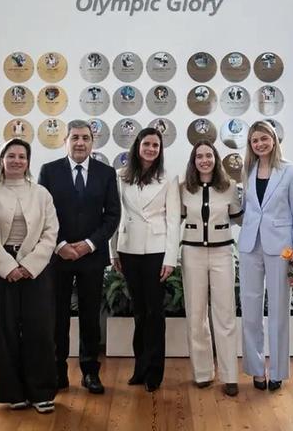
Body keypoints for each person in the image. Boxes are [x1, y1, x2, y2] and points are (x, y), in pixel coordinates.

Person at [37, 120, 120, 395]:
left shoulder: (106, 173)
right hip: (58, 257)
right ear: (65, 141)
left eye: (85, 138)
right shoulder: (49, 172)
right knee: (57, 316)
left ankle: (89, 372)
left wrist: (88, 244)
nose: (80, 142)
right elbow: (43, 213)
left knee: (90, 317)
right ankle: (57, 371)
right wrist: (60, 245)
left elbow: (112, 216)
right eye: (75, 138)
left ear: (92, 142)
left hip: (91, 257)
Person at [0, 138, 59, 414]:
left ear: (28, 161)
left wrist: (29, 265)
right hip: (2, 271)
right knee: (4, 330)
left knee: (40, 330)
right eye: (10, 156)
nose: (16, 161)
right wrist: (8, 266)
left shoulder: (41, 194)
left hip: (36, 270)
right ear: (1, 160)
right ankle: (11, 391)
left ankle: (41, 392)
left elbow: (50, 233)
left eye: (21, 157)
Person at [110, 127, 180, 392]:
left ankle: (154, 372)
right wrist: (113, 251)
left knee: (154, 312)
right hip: (128, 249)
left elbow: (174, 220)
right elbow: (115, 216)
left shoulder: (168, 178)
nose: (151, 149)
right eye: (147, 144)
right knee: (138, 312)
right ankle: (139, 368)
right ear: (137, 146)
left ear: (160, 150)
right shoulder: (120, 177)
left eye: (156, 145)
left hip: (157, 250)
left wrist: (171, 258)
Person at [238, 120, 293, 392]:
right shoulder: (247, 171)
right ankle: (255, 369)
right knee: (250, 311)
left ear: (274, 140)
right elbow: (246, 209)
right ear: (251, 145)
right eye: (255, 140)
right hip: (250, 246)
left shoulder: (290, 171)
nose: (260, 144)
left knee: (278, 311)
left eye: (264, 138)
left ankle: (277, 371)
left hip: (280, 248)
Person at [179, 140, 242, 397]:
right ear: (193, 162)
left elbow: (239, 217)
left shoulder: (229, 188)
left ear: (216, 159)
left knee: (225, 313)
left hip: (222, 253)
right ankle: (203, 372)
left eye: (209, 156)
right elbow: (176, 220)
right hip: (192, 253)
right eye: (199, 156)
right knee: (196, 314)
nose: (204, 160)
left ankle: (230, 375)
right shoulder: (184, 189)